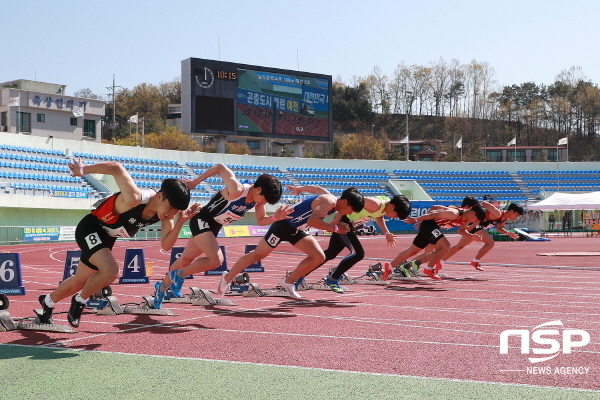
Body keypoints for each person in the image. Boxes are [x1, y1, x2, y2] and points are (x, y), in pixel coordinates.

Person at [38, 159, 197, 327]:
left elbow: (166, 245)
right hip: (91, 228)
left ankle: (47, 303)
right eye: (170, 208)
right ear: (160, 196)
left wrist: (180, 221)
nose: (170, 213)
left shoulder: (168, 215)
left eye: (175, 211)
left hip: (106, 236)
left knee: (80, 280)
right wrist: (82, 170)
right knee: (111, 271)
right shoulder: (135, 198)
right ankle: (80, 301)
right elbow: (116, 168)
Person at [153, 163, 291, 309]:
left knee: (186, 259)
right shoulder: (237, 190)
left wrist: (276, 217)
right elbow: (220, 167)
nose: (264, 203)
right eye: (265, 199)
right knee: (216, 260)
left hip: (213, 227)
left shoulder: (257, 202)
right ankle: (179, 275)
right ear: (258, 189)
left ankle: (161, 288)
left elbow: (261, 221)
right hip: (202, 220)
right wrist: (194, 182)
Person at [218, 186, 365, 299]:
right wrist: (336, 228)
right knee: (257, 255)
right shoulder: (329, 202)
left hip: (296, 229)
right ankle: (227, 277)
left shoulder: (333, 200)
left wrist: (300, 189)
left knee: (318, 257)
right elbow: (313, 221)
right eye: (350, 210)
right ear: (344, 201)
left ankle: (288, 282)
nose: (349, 213)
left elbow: (316, 189)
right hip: (283, 226)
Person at [286, 187, 412, 293]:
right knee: (358, 254)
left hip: (346, 222)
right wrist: (338, 219)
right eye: (396, 215)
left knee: (330, 253)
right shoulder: (375, 203)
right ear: (392, 207)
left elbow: (378, 216)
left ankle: (299, 275)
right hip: (343, 221)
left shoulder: (385, 205)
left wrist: (386, 232)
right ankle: (332, 279)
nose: (395, 218)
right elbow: (354, 200)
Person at [392, 203, 487, 280]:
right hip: (429, 225)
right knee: (445, 247)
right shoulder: (454, 213)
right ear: (472, 213)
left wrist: (472, 236)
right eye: (476, 219)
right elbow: (434, 214)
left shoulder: (465, 219)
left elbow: (461, 231)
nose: (475, 222)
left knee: (414, 250)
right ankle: (427, 268)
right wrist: (417, 220)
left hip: (432, 227)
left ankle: (400, 267)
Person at [439, 202, 523, 271]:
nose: (516, 217)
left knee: (459, 246)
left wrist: (508, 233)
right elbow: (485, 203)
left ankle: (440, 262)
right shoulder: (498, 213)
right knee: (490, 243)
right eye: (516, 215)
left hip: (477, 227)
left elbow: (499, 229)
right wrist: (477, 208)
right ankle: (475, 261)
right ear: (512, 211)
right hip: (476, 225)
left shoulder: (504, 218)